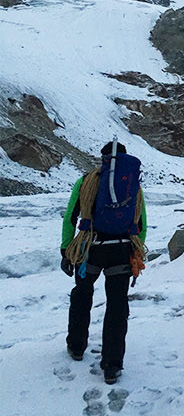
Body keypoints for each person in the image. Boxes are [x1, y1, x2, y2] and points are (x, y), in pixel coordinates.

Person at [60, 140, 148, 385]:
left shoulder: (86, 181)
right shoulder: (132, 186)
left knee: (82, 295)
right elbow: (141, 224)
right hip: (121, 250)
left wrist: (66, 248)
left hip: (90, 249)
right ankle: (112, 365)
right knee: (117, 306)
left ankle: (76, 346)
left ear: (103, 159)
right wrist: (136, 252)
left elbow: (70, 216)